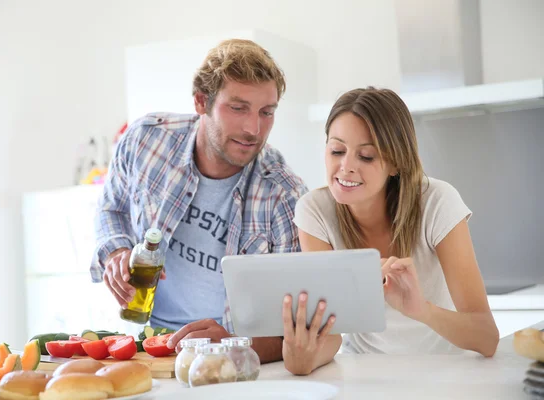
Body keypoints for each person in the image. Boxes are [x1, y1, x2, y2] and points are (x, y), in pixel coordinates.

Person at [90, 39, 308, 363]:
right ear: (201, 101)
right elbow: (112, 207)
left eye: (267, 112)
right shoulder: (145, 140)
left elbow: (296, 334)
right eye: (238, 108)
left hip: (227, 365)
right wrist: (117, 251)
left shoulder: (285, 196)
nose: (253, 129)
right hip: (149, 346)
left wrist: (233, 344)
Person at [281, 87, 499, 375]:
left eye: (367, 156)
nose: (345, 167)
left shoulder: (437, 202)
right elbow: (331, 332)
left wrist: (422, 310)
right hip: (366, 372)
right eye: (336, 150)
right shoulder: (314, 211)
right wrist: (301, 356)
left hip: (445, 372)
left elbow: (486, 337)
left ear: (395, 163)